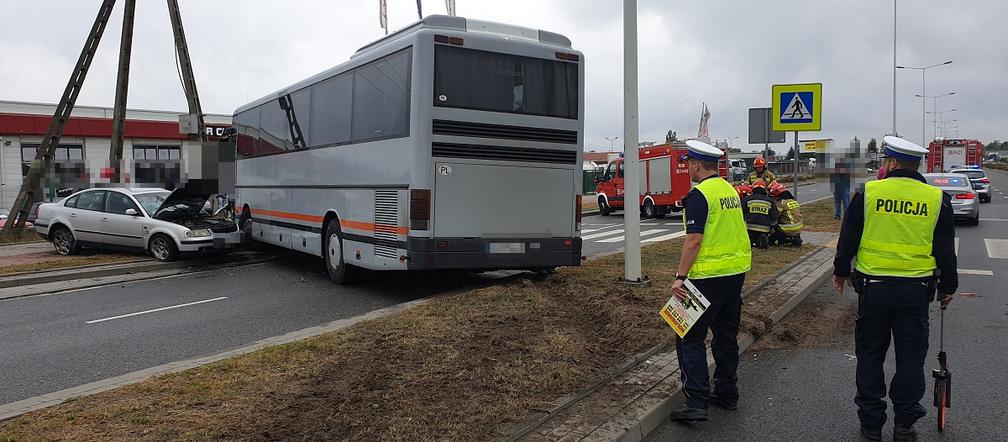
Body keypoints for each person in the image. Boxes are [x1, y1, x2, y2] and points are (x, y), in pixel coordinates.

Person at [832, 136, 957, 441]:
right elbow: (945, 251)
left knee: (871, 356)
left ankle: (872, 423)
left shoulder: (869, 193)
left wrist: (840, 271)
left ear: (889, 163)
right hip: (915, 293)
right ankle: (904, 423)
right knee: (910, 359)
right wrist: (948, 288)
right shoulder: (936, 199)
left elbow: (848, 237)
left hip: (874, 291)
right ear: (917, 165)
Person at [668, 140, 752, 422]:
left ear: (695, 164)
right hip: (735, 274)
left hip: (704, 278)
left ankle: (697, 401)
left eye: (688, 164)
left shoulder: (699, 195)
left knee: (687, 337)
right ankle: (728, 392)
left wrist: (680, 278)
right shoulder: (729, 191)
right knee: (726, 335)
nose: (687, 168)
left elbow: (694, 240)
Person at [741, 180, 778, 249]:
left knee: (750, 238)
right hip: (765, 229)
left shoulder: (746, 199)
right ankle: (762, 238)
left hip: (750, 228)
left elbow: (741, 214)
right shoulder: (769, 200)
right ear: (764, 189)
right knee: (764, 235)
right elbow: (775, 217)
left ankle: (752, 241)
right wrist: (771, 227)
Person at [769, 181, 804, 247]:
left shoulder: (781, 203)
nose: (774, 199)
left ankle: (786, 241)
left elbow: (775, 216)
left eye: (774, 197)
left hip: (788, 229)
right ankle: (795, 238)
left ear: (778, 196)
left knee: (771, 239)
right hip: (798, 227)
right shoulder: (793, 201)